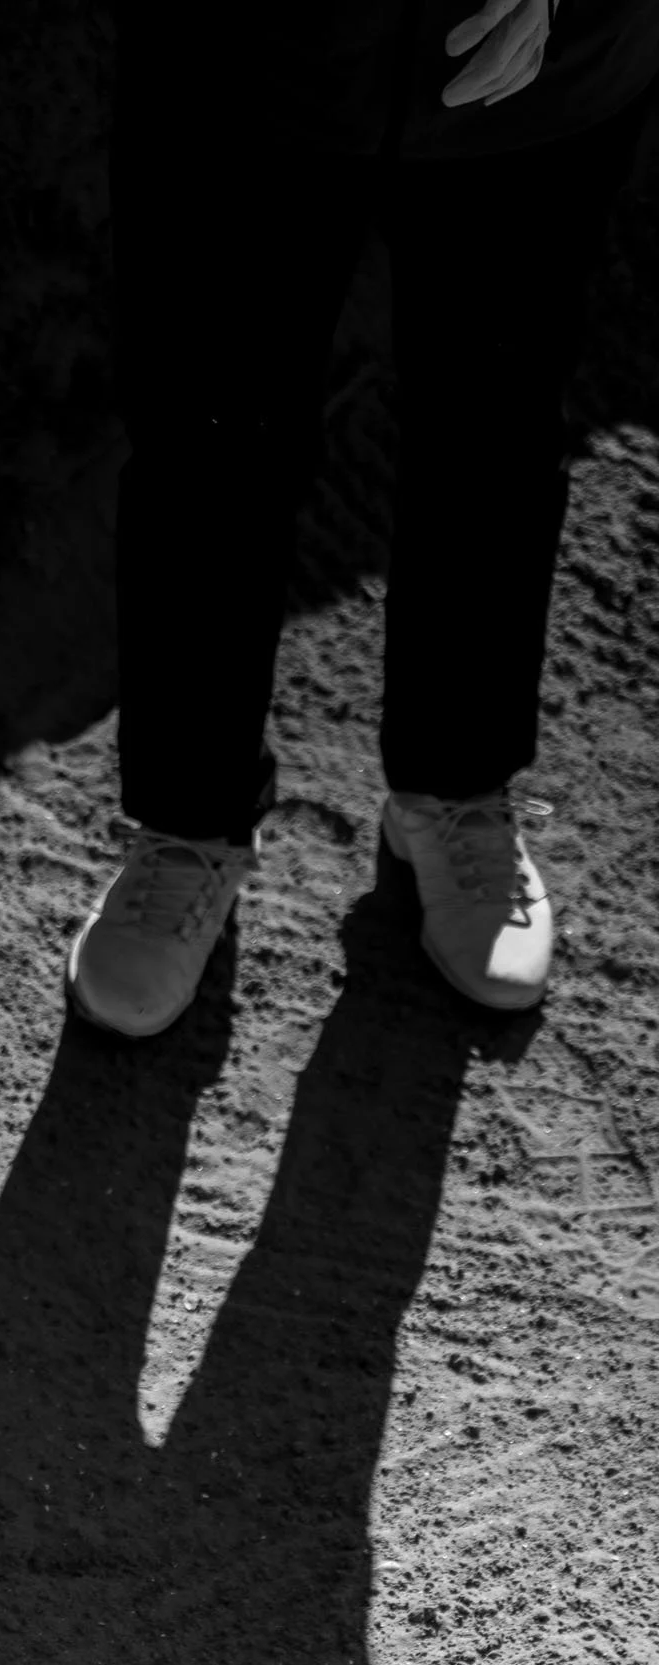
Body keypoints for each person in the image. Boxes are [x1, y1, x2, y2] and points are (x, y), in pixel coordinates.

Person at [70, 0, 659, 1037]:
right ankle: (185, 824)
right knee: (210, 425)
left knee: (493, 424)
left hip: (545, 68)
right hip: (249, 50)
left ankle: (454, 788)